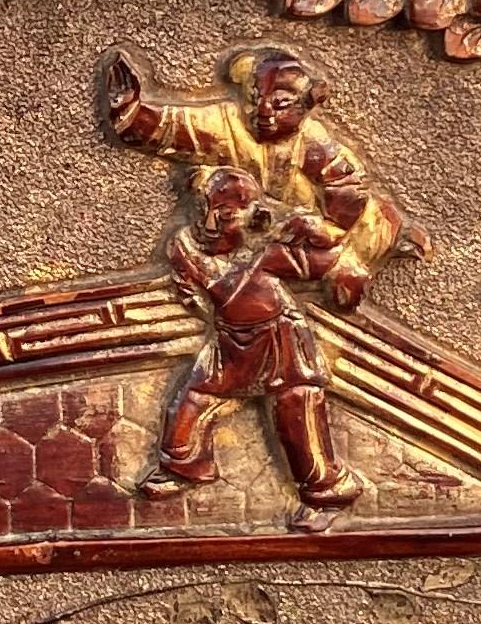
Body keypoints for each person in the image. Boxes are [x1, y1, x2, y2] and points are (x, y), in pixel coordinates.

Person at [149, 165, 368, 524]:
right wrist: (205, 307)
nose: (215, 225)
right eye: (211, 213)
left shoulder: (270, 251)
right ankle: (182, 467)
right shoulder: (185, 247)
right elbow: (189, 289)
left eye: (229, 216)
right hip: (230, 341)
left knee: (296, 415)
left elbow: (331, 263)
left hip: (280, 339)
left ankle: (327, 495)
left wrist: (327, 246)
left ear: (253, 214)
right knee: (191, 403)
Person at [96, 43, 425, 257]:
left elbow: (347, 190)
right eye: (255, 99)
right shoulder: (224, 124)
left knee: (365, 236)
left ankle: (399, 238)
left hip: (308, 234)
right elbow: (171, 126)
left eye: (280, 104)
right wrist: (129, 110)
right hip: (243, 235)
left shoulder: (314, 143)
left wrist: (326, 231)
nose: (264, 112)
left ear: (307, 105)